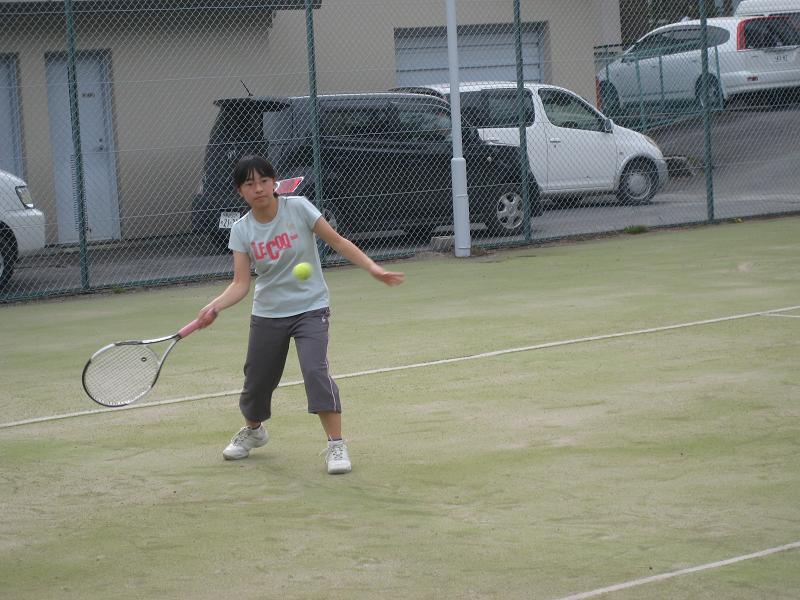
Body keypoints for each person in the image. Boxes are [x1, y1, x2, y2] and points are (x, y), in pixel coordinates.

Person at [195, 155, 405, 474]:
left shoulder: (299, 208)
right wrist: (214, 306)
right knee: (257, 379)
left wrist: (372, 268)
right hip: (268, 313)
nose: (259, 188)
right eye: (250, 184)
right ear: (240, 191)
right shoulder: (241, 230)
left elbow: (337, 241)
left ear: (274, 183)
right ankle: (254, 431)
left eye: (264, 181)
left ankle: (336, 445)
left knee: (314, 370)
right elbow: (240, 283)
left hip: (311, 307)